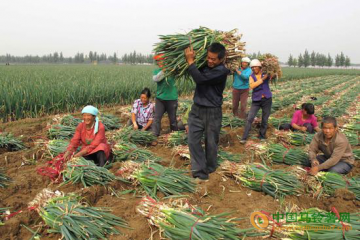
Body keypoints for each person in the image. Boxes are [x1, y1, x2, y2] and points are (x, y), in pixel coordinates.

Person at [184, 42, 230, 181]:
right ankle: (200, 172)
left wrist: (190, 61)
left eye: (213, 59)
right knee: (192, 141)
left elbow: (200, 79)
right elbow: (193, 71)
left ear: (221, 59)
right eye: (208, 58)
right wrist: (192, 61)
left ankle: (210, 167)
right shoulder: (205, 66)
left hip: (212, 112)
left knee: (211, 142)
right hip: (197, 109)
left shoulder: (222, 71)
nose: (209, 61)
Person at [240, 59, 272, 144]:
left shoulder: (265, 74)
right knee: (250, 118)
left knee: (265, 119)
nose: (254, 69)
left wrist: (273, 73)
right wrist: (262, 79)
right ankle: (244, 137)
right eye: (252, 67)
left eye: (256, 67)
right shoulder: (251, 76)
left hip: (267, 99)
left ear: (260, 67)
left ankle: (262, 135)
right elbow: (252, 86)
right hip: (256, 100)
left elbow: (273, 76)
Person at [152, 54, 179, 136]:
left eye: (161, 60)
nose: (159, 62)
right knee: (157, 118)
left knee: (173, 119)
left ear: (166, 61)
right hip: (160, 99)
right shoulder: (157, 71)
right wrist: (164, 70)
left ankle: (174, 134)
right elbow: (156, 79)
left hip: (172, 98)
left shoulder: (173, 70)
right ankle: (155, 134)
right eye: (158, 61)